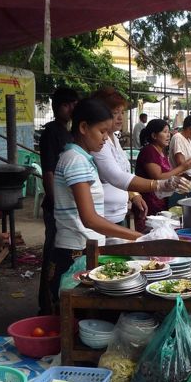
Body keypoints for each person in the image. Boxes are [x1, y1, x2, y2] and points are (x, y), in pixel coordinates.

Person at [49, 98, 141, 306]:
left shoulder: (80, 158)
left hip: (85, 248)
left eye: (108, 133)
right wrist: (138, 237)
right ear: (83, 127)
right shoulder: (75, 160)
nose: (106, 139)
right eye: (102, 132)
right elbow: (89, 219)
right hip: (76, 251)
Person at [91, 88, 191, 225]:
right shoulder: (96, 145)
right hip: (104, 216)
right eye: (115, 113)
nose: (120, 117)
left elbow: (124, 172)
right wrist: (159, 184)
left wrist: (134, 195)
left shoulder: (113, 138)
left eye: (122, 112)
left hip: (118, 213)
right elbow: (115, 176)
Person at [37, 86, 80, 314]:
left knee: (62, 256)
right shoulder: (52, 132)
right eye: (69, 104)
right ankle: (46, 305)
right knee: (52, 255)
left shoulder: (67, 131)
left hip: (64, 207)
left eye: (75, 103)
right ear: (59, 106)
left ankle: (58, 302)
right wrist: (57, 203)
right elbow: (49, 173)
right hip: (56, 207)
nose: (73, 108)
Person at [134, 118, 191, 226]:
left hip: (161, 201)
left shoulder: (161, 152)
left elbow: (168, 174)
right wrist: (183, 167)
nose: (168, 135)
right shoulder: (149, 151)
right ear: (154, 136)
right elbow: (158, 177)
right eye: (165, 132)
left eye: (169, 132)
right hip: (148, 202)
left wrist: (182, 175)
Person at [169, 113, 191, 183]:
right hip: (185, 182)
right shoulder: (178, 138)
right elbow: (181, 164)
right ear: (189, 128)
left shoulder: (188, 140)